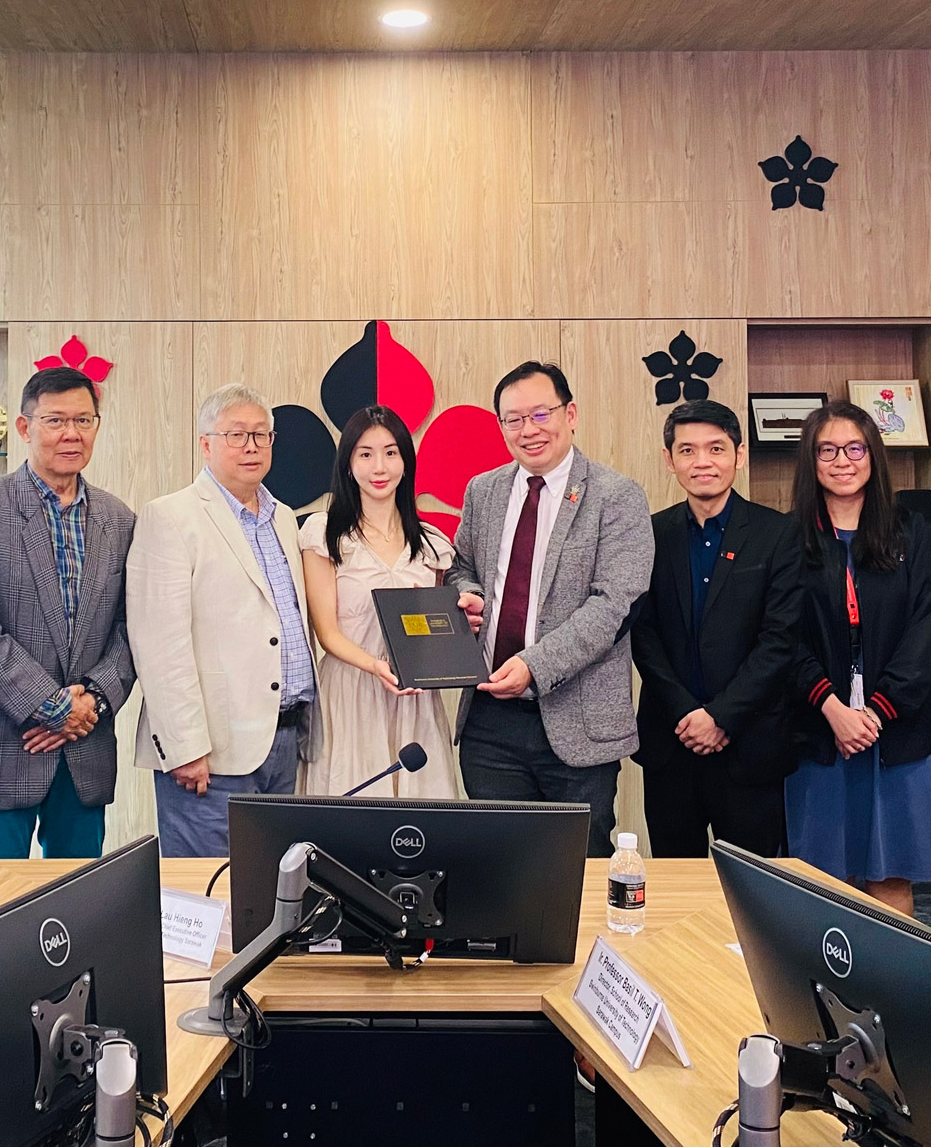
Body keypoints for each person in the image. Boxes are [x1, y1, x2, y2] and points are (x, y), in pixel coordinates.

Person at [446, 361, 653, 858]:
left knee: (578, 867)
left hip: (578, 720)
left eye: (541, 414)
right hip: (490, 721)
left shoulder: (616, 496)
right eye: (514, 419)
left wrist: (535, 666)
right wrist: (468, 595)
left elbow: (614, 604)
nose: (528, 430)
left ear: (570, 414)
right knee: (498, 864)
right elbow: (460, 566)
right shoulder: (483, 490)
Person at [0, 367, 136, 865]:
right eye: (55, 420)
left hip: (85, 745)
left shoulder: (119, 519)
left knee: (80, 895)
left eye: (84, 420)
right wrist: (54, 708)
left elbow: (131, 629)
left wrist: (90, 701)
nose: (71, 433)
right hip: (3, 742)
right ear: (24, 427)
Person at [129, 383, 321, 856]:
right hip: (210, 752)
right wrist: (184, 746)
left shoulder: (283, 518)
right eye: (236, 434)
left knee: (271, 885)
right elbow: (159, 645)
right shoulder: (171, 517)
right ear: (205, 443)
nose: (251, 446)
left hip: (283, 741)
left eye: (261, 434)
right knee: (207, 891)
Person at [786, 401, 931, 916]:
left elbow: (927, 630)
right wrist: (833, 708)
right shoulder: (788, 539)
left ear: (873, 455)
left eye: (855, 448)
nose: (843, 461)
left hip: (896, 732)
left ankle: (890, 971)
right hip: (819, 732)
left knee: (891, 872)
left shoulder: (913, 533)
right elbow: (781, 636)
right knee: (819, 878)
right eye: (827, 450)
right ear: (811, 461)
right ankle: (820, 972)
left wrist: (877, 711)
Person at [631, 400, 803, 858]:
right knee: (675, 881)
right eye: (687, 450)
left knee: (751, 886)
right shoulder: (650, 533)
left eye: (716, 448)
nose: (702, 462)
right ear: (669, 460)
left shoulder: (778, 534)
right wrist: (688, 713)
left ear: (739, 455)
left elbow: (780, 640)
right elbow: (643, 634)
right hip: (672, 740)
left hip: (750, 744)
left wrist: (721, 716)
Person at [298, 405, 459, 798]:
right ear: (349, 464)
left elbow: (434, 631)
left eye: (390, 452)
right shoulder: (325, 534)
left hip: (414, 699)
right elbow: (327, 634)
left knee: (419, 815)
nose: (379, 467)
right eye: (365, 454)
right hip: (351, 692)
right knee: (352, 811)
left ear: (405, 461)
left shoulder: (432, 543)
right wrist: (376, 667)